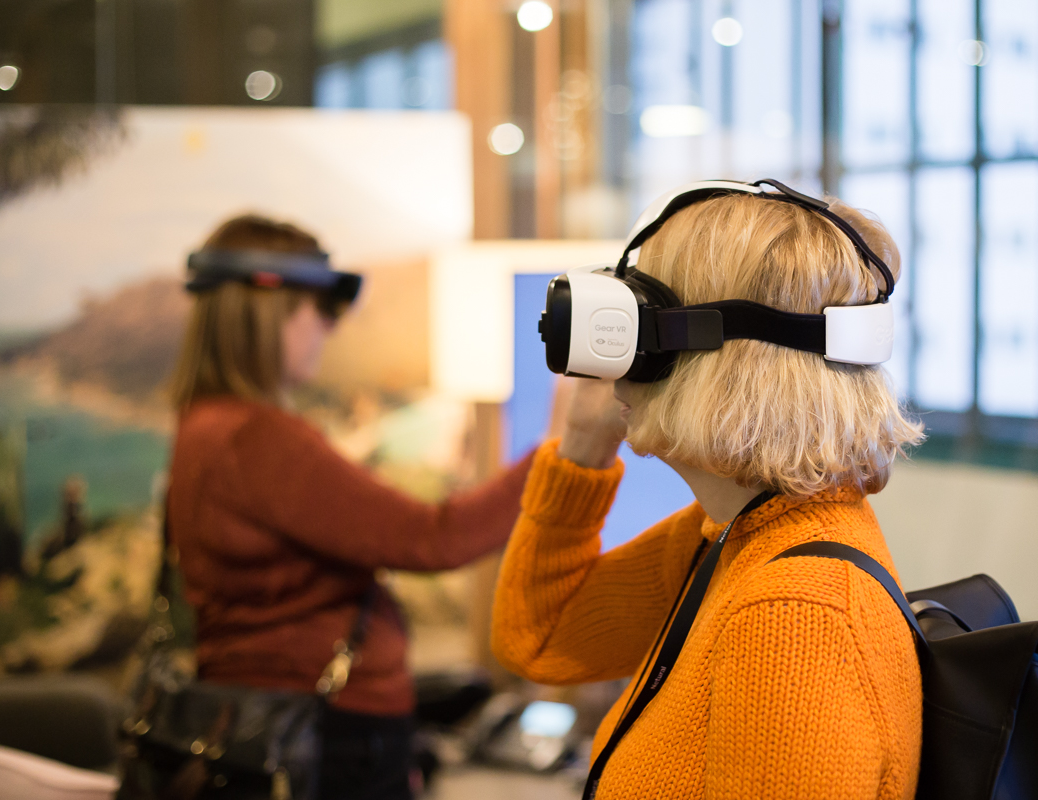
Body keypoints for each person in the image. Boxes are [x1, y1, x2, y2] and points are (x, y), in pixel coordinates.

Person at [491, 190, 926, 798]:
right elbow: (540, 638)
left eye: (640, 312)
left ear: (710, 357)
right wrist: (583, 446)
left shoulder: (794, 615)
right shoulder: (735, 536)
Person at [167, 214, 533, 800]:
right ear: (269, 308)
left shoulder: (203, 426)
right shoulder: (256, 438)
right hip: (328, 730)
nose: (328, 329)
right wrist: (566, 452)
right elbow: (436, 538)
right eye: (321, 308)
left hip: (272, 718)